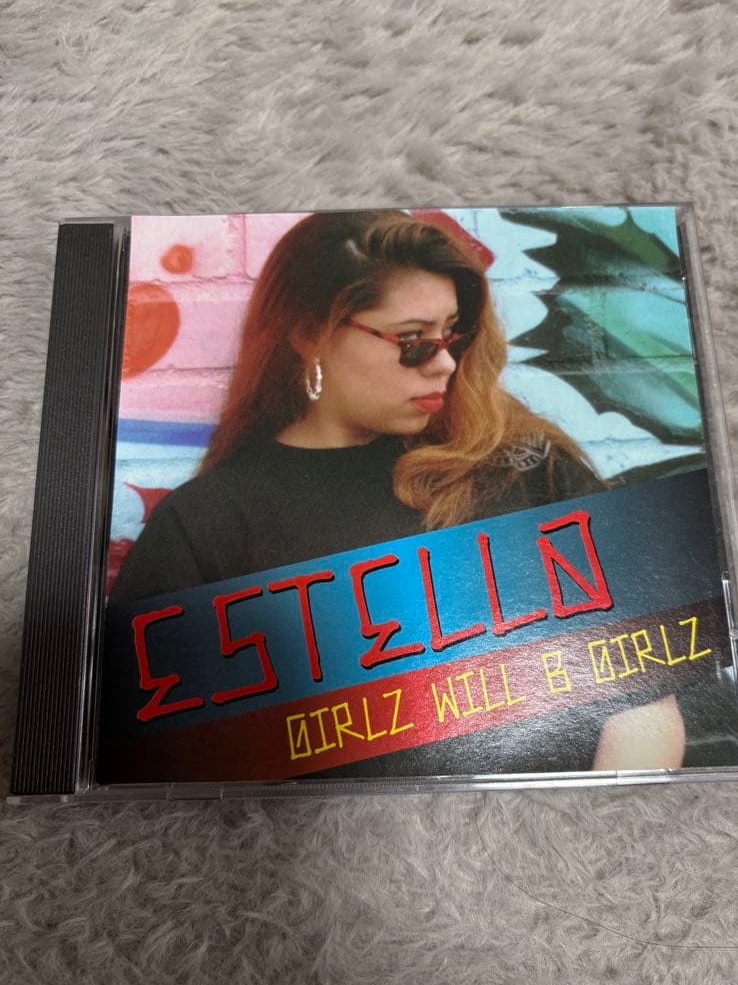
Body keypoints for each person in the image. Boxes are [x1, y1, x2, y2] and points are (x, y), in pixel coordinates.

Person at [110, 209, 686, 774]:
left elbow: (645, 705)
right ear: (309, 333)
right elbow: (159, 766)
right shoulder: (208, 524)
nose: (444, 364)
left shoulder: (524, 465)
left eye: (452, 335)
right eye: (412, 341)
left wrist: (584, 823)